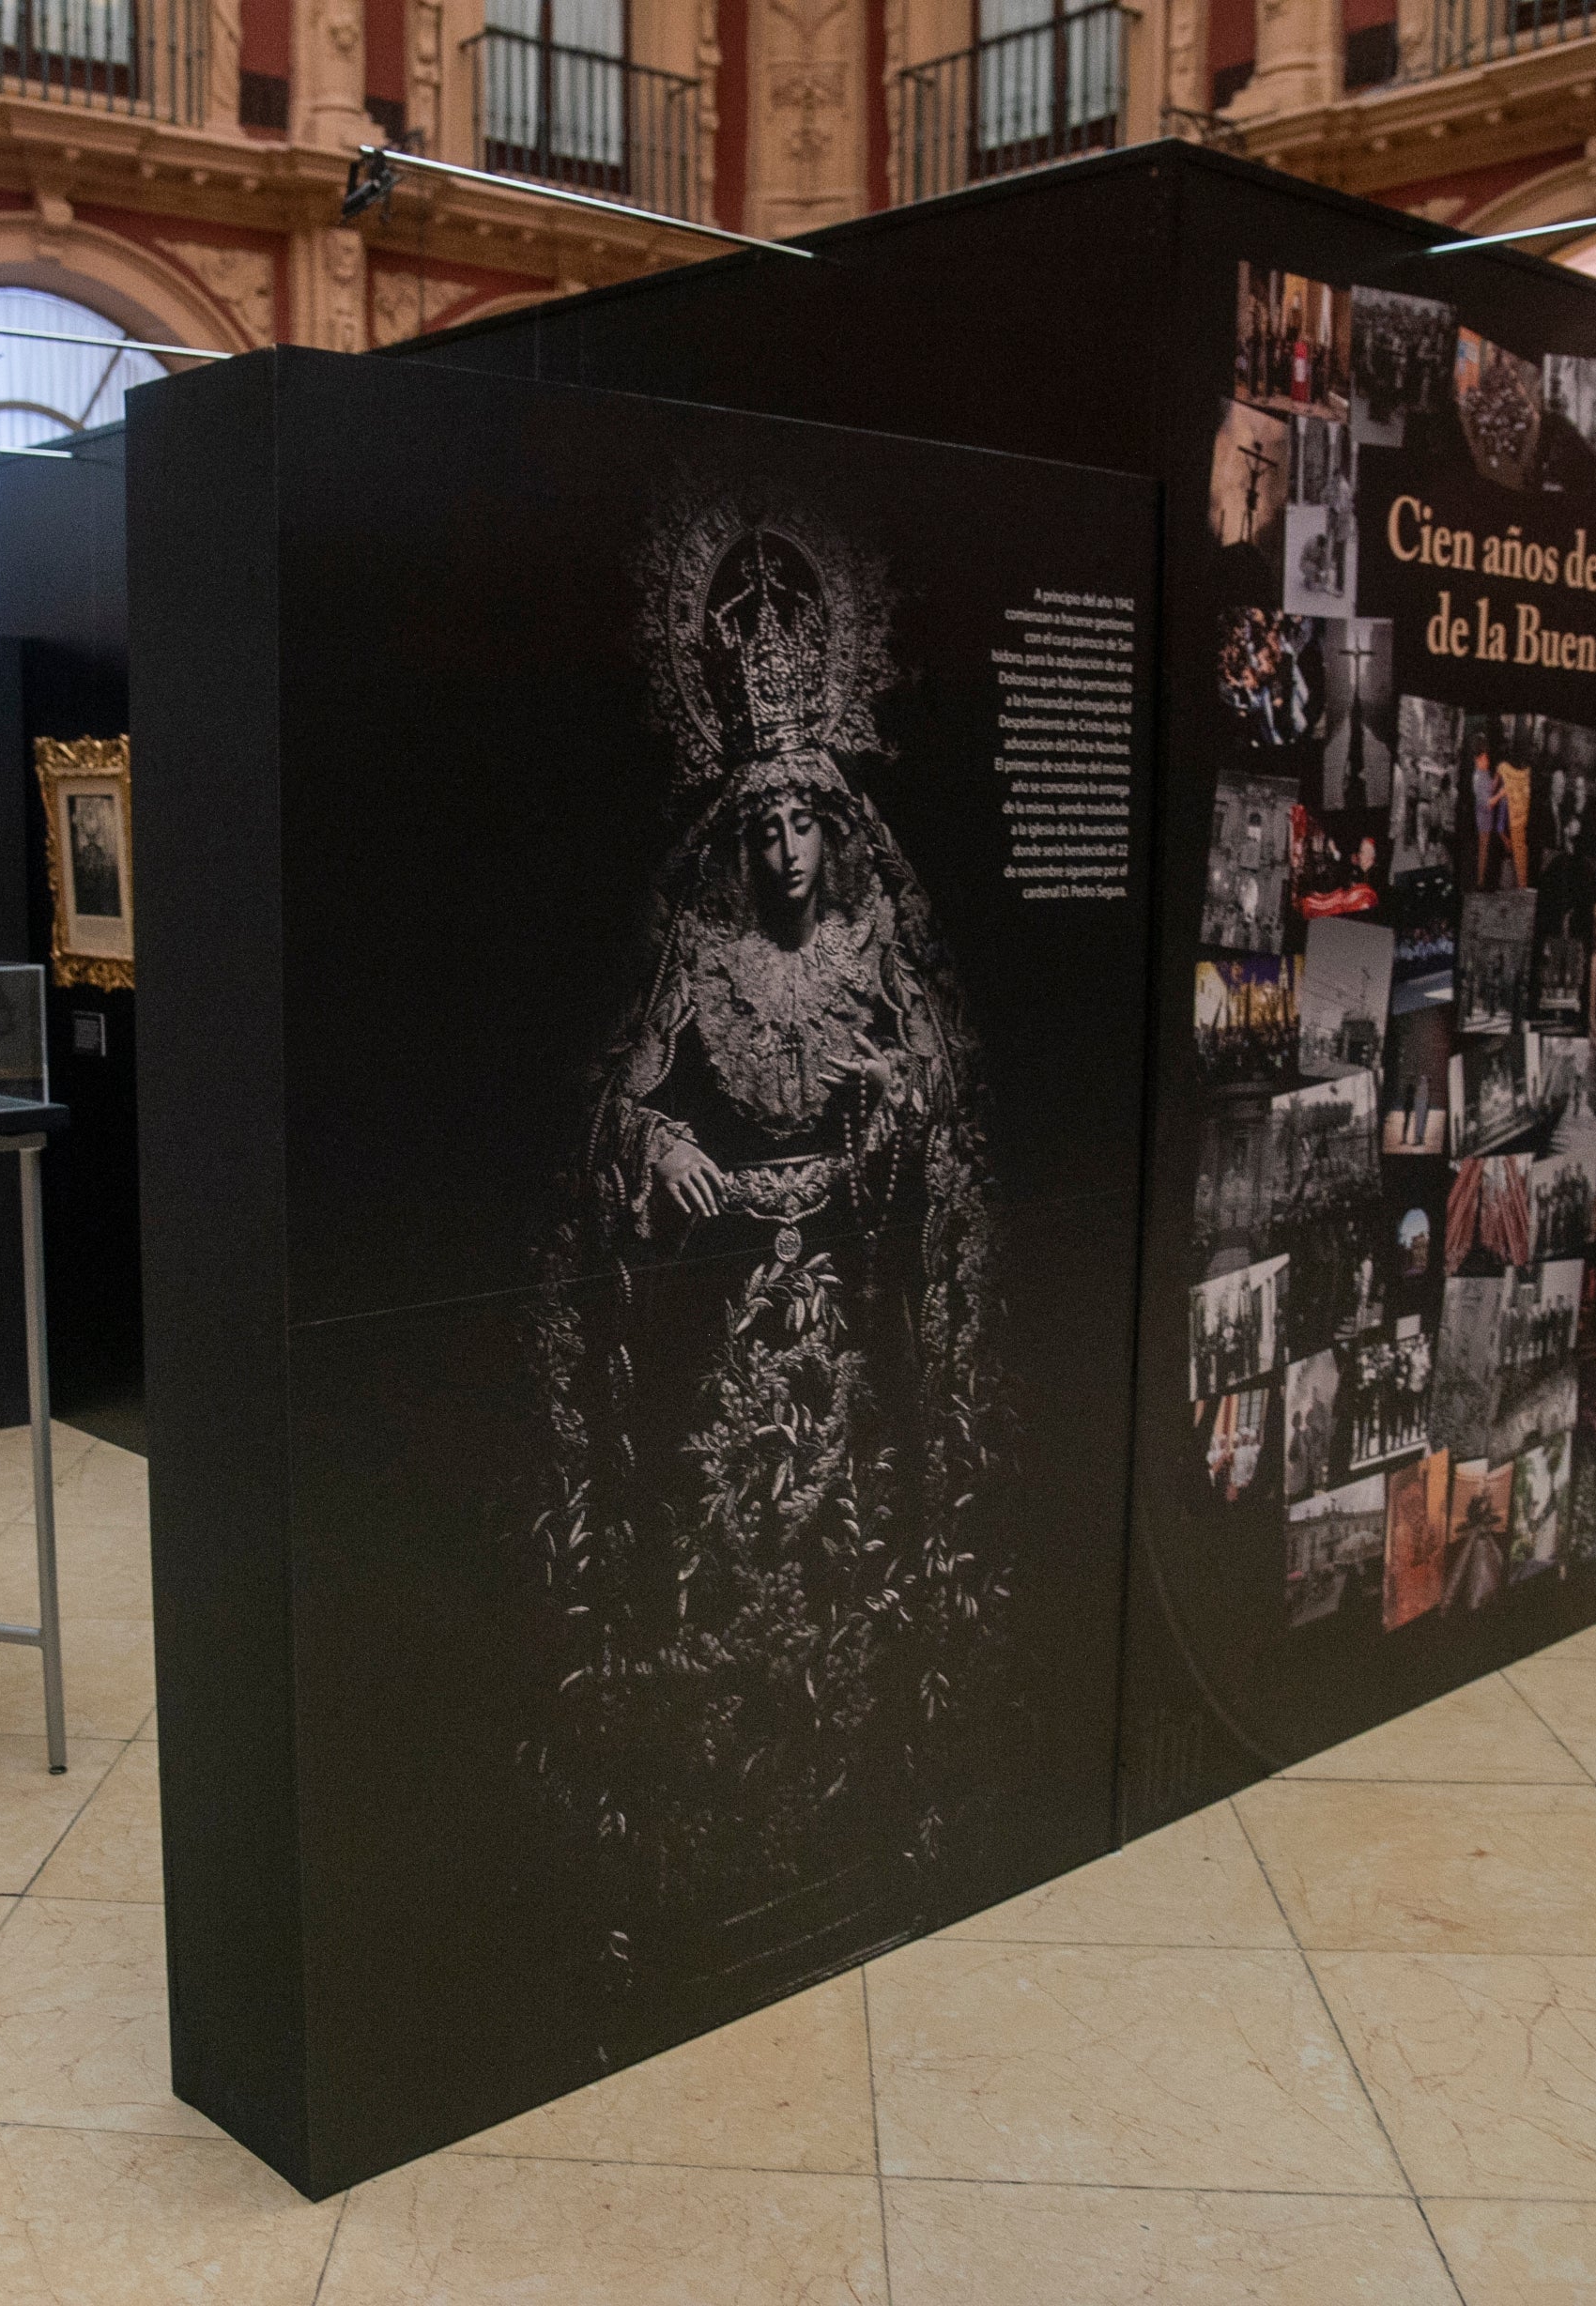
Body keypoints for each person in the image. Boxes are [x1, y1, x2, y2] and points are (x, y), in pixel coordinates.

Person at [528, 522, 1003, 1946]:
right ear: (740, 840)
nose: (790, 852)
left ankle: (858, 1795)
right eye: (768, 830)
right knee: (720, 1539)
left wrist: (894, 1105)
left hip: (845, 1304)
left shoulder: (868, 953)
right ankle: (716, 1833)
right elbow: (611, 1093)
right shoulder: (705, 955)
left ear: (835, 833)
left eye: (808, 826)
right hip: (722, 1302)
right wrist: (662, 1141)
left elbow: (943, 1100)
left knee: (847, 1534)